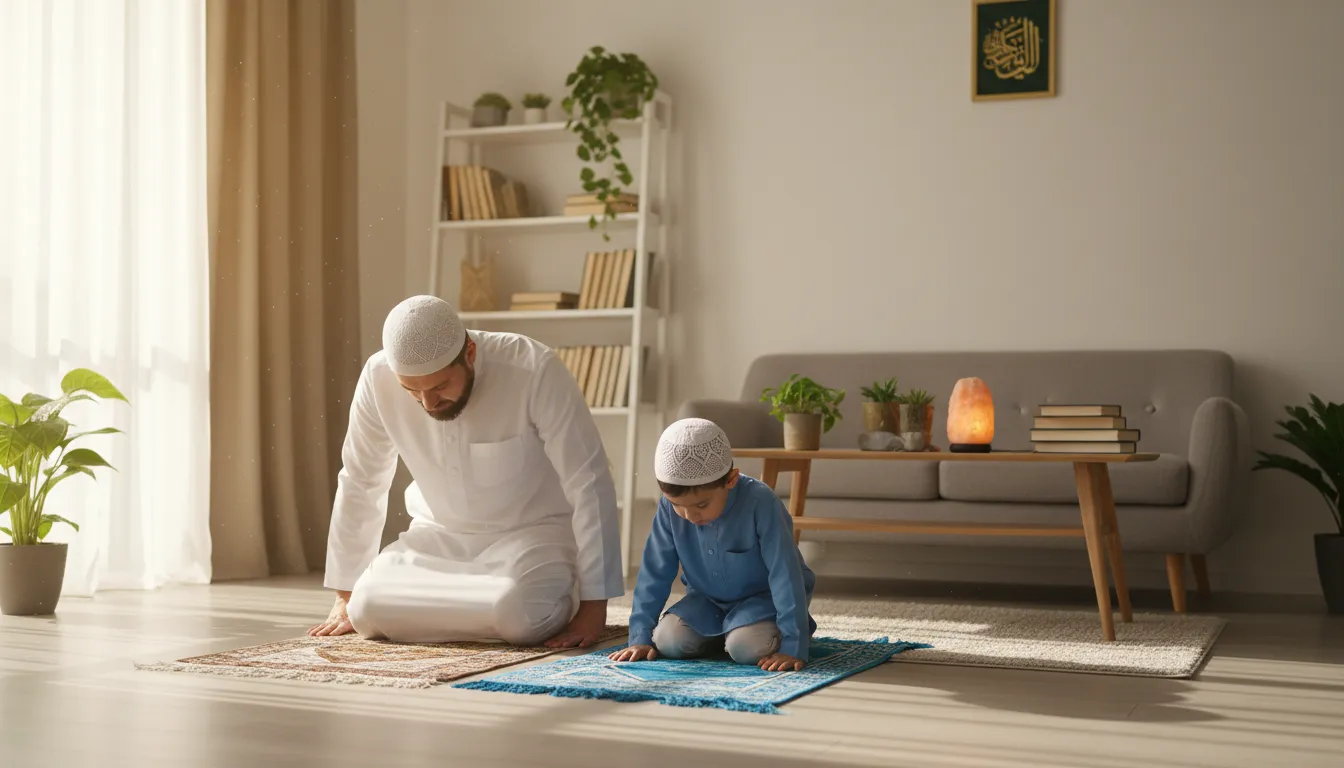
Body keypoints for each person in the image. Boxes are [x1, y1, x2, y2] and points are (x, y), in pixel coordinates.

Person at [307, 295, 623, 648]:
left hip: (533, 535)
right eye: (412, 390)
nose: (428, 403)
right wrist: (345, 592)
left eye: (439, 386)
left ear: (469, 353)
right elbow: (361, 480)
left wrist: (595, 605)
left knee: (513, 614)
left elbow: (588, 479)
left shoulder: (534, 369)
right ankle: (482, 606)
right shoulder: (377, 377)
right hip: (436, 537)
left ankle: (551, 593)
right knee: (365, 609)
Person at [610, 418, 817, 671]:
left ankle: (780, 630)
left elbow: (785, 574)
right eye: (678, 506)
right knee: (668, 641)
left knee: (745, 648)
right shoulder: (668, 509)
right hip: (707, 601)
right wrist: (640, 638)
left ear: (730, 480)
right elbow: (654, 573)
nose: (689, 516)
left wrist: (793, 646)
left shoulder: (761, 502)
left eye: (701, 505)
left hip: (765, 600)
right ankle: (728, 635)